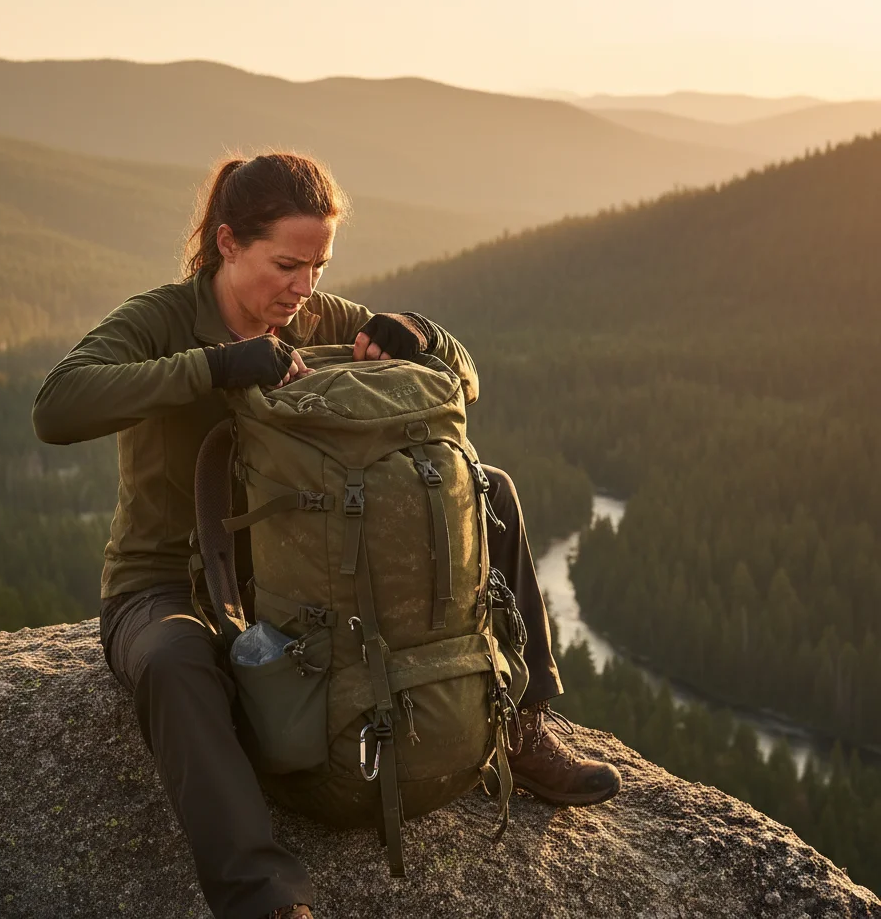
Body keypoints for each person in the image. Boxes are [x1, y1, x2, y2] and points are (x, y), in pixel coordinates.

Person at [32, 152, 622, 919]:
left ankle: (522, 724)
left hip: (310, 575)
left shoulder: (320, 318)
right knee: (175, 661)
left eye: (318, 266)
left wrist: (422, 336)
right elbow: (58, 406)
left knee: (491, 492)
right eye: (285, 264)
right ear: (226, 243)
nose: (303, 287)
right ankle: (266, 897)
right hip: (168, 583)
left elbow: (464, 381)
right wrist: (216, 366)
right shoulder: (163, 319)